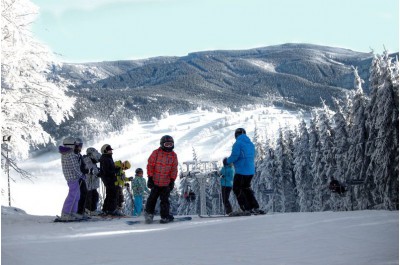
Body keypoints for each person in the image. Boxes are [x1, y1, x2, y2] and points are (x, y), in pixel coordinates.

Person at [227, 128, 265, 215]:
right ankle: (254, 206)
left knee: (237, 189)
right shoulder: (251, 144)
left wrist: (227, 161)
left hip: (241, 170)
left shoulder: (238, 144)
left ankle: (246, 208)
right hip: (250, 171)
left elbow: (235, 156)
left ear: (236, 135)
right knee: (246, 188)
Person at [144, 135, 178, 224]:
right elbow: (150, 165)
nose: (169, 147)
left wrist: (172, 180)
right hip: (155, 182)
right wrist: (150, 178)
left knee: (165, 200)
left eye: (170, 144)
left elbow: (174, 169)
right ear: (162, 144)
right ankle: (149, 215)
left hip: (166, 183)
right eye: (167, 144)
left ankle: (165, 216)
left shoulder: (173, 156)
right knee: (152, 199)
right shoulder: (156, 153)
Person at [59, 136, 86, 221]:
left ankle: (73, 212)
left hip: (72, 176)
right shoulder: (70, 154)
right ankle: (65, 213)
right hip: (72, 177)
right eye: (74, 144)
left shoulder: (67, 153)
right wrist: (81, 175)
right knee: (73, 195)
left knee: (76, 195)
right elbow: (75, 167)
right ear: (70, 145)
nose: (75, 146)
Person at [99, 144, 121, 216]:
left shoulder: (108, 157)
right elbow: (107, 171)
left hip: (109, 178)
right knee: (112, 193)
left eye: (111, 150)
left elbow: (110, 169)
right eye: (109, 150)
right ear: (105, 151)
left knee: (110, 194)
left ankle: (106, 209)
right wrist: (115, 171)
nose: (111, 151)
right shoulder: (105, 158)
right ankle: (111, 210)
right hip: (108, 178)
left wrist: (115, 169)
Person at [83, 147, 102, 215]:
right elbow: (89, 170)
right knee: (90, 195)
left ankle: (93, 209)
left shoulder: (92, 161)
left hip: (93, 183)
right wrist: (96, 174)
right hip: (89, 182)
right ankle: (88, 209)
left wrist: (98, 173)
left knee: (95, 195)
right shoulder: (87, 160)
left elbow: (94, 169)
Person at [75, 138, 88, 216]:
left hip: (81, 177)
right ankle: (79, 211)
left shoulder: (79, 155)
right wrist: (85, 170)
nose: (81, 147)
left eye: (81, 145)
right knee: (81, 194)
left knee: (84, 193)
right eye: (80, 145)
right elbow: (78, 167)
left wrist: (86, 170)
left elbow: (82, 165)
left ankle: (81, 211)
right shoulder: (75, 155)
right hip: (78, 177)